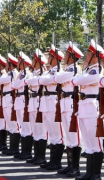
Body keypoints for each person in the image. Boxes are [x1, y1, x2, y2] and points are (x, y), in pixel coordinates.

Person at [74, 40, 103, 180]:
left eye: (88, 54)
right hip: (83, 108)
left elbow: (78, 81)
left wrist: (79, 77)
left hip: (92, 109)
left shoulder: (97, 70)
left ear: (95, 56)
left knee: (96, 143)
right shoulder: (87, 70)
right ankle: (89, 173)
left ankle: (96, 175)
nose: (86, 56)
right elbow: (77, 80)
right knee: (89, 143)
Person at [54, 42, 82, 177]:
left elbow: (57, 78)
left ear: (71, 56)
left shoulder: (74, 69)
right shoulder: (67, 69)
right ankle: (70, 165)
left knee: (74, 137)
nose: (64, 56)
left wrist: (59, 76)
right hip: (65, 103)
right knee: (68, 136)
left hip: (71, 104)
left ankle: (75, 167)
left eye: (66, 54)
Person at [38, 45, 65, 170]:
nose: (48, 58)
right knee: (52, 133)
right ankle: (52, 160)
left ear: (54, 58)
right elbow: (41, 80)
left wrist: (44, 79)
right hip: (46, 103)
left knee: (57, 134)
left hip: (53, 103)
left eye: (50, 56)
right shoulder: (49, 71)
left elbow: (42, 81)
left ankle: (57, 162)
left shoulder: (58, 71)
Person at [11, 51, 33, 159]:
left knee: (26, 127)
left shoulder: (27, 73)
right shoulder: (20, 74)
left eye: (19, 61)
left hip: (24, 100)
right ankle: (23, 150)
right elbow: (13, 85)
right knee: (22, 126)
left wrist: (16, 84)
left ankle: (27, 152)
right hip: (19, 100)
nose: (18, 63)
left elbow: (16, 84)